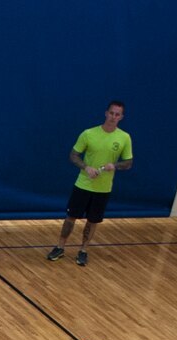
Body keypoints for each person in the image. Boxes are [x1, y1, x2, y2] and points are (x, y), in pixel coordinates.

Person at [48, 101, 133, 266]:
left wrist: (114, 165)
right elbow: (73, 155)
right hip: (83, 185)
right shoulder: (88, 134)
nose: (113, 117)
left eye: (117, 114)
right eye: (111, 113)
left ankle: (83, 250)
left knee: (93, 221)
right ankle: (60, 246)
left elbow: (128, 162)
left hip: (103, 188)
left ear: (121, 117)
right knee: (71, 217)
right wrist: (85, 167)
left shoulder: (124, 137)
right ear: (106, 113)